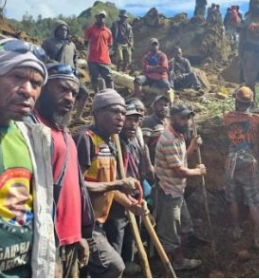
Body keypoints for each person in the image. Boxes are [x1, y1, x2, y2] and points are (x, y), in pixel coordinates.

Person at [31, 63, 94, 277]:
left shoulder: (65, 133)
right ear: (43, 87)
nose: (69, 98)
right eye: (62, 89)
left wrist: (79, 234)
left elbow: (75, 189)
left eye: (74, 93)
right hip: (45, 246)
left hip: (69, 241)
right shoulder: (31, 130)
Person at [0, 39, 56, 277]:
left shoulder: (34, 139)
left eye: (36, 83)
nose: (27, 90)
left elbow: (42, 211)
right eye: (17, 77)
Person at [73, 89, 143, 278]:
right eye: (114, 112)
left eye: (122, 112)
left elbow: (108, 186)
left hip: (98, 223)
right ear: (96, 113)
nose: (120, 117)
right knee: (115, 266)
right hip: (83, 224)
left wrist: (131, 205)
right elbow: (76, 186)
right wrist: (116, 184)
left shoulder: (109, 144)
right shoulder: (85, 139)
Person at [154, 104, 206, 270]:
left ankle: (179, 256)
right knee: (171, 232)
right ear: (172, 117)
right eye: (182, 118)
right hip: (168, 192)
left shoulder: (179, 135)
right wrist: (198, 172)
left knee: (184, 225)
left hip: (177, 191)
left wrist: (192, 146)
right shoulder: (169, 139)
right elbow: (179, 171)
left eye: (188, 118)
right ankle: (174, 264)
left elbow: (181, 158)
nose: (186, 122)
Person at [223, 86, 259, 249]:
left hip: (230, 163)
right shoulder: (258, 119)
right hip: (249, 164)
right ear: (252, 102)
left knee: (233, 199)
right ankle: (257, 239)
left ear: (236, 101)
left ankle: (236, 229)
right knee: (252, 202)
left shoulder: (227, 117)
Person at [103, 102, 147, 276]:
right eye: (129, 119)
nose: (132, 124)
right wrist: (125, 199)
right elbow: (111, 179)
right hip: (118, 199)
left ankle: (129, 264)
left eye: (136, 120)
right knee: (117, 236)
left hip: (135, 197)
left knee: (132, 233)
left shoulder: (134, 143)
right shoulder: (114, 145)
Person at [42, 20, 90, 124]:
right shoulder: (48, 42)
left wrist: (76, 71)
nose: (63, 31)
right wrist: (57, 65)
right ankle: (53, 119)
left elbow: (75, 59)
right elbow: (44, 57)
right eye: (61, 29)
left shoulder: (71, 44)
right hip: (56, 75)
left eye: (65, 29)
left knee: (84, 92)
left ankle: (77, 117)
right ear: (56, 30)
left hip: (72, 75)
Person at [84, 10, 114, 92]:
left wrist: (105, 52)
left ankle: (112, 95)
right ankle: (97, 95)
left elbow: (110, 45)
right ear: (96, 18)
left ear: (105, 19)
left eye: (103, 17)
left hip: (105, 60)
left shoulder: (108, 32)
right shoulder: (90, 29)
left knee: (108, 78)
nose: (101, 19)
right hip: (92, 59)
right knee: (94, 78)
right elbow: (86, 42)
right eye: (99, 17)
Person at [141, 95, 170, 167]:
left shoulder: (168, 122)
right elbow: (144, 145)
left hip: (168, 163)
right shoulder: (149, 121)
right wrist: (149, 165)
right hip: (156, 163)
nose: (163, 107)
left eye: (165, 105)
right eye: (160, 104)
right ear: (154, 106)